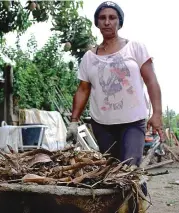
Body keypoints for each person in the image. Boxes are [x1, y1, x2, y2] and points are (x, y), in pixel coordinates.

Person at [66, 1, 163, 167]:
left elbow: (151, 80)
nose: (107, 21)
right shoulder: (89, 57)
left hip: (133, 121)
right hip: (103, 125)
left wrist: (157, 113)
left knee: (130, 168)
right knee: (112, 172)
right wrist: (74, 122)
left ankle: (141, 193)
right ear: (97, 23)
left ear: (120, 22)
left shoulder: (135, 48)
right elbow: (83, 90)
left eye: (112, 17)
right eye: (102, 18)